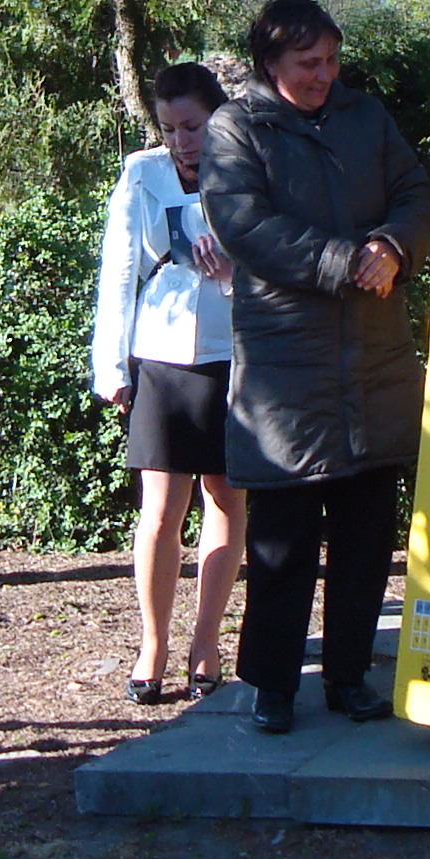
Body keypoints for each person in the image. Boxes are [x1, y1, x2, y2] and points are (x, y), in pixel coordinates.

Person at [201, 0, 430, 736]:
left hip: (375, 359)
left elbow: (416, 194)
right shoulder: (234, 129)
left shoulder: (367, 118)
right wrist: (342, 260)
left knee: (368, 535)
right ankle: (272, 683)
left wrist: (394, 248)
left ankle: (348, 675)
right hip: (286, 365)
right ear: (271, 63)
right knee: (283, 539)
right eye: (309, 64)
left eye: (332, 60)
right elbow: (242, 224)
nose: (324, 76)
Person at [90, 62, 244, 704]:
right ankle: (152, 644)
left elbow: (273, 262)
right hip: (159, 353)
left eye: (194, 126)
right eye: (170, 128)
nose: (182, 140)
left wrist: (233, 272)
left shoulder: (247, 169)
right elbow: (118, 270)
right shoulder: (140, 174)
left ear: (218, 119)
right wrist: (111, 366)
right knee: (160, 509)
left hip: (230, 353)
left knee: (226, 499)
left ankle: (205, 642)